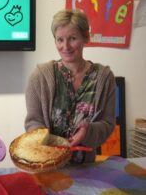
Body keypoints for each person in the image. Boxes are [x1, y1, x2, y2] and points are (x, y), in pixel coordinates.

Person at [24, 9, 116, 163]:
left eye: (72, 38)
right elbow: (33, 121)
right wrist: (43, 140)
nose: (65, 46)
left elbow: (108, 124)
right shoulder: (39, 77)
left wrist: (88, 131)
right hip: (46, 166)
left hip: (87, 169)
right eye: (60, 40)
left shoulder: (104, 78)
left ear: (86, 37)